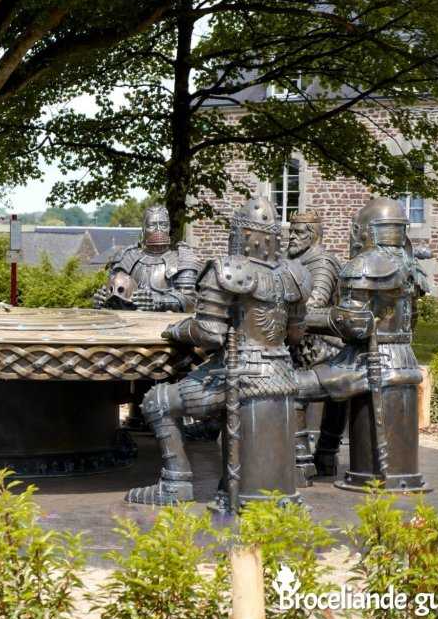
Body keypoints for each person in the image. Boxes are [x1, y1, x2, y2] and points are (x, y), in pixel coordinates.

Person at [125, 196, 310, 507]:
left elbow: (210, 334)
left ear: (241, 236)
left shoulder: (228, 270)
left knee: (157, 401)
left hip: (240, 376)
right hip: (282, 374)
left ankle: (176, 486)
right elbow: (295, 333)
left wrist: (179, 329)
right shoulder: (293, 274)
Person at [297, 197, 426, 491]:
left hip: (367, 362)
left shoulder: (368, 264)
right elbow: (411, 322)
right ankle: (327, 454)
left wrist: (303, 318)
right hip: (402, 357)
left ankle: (299, 466)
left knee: (291, 388)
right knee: (329, 386)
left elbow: (352, 324)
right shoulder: (409, 264)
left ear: (364, 231)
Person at [93, 204, 203, 431]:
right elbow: (116, 290)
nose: (158, 228)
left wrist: (158, 301)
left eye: (163, 224)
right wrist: (103, 299)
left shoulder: (181, 258)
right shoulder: (127, 257)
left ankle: (173, 418)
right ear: (143, 228)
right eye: (153, 224)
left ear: (170, 228)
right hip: (131, 334)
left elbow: (190, 299)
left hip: (170, 334)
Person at [284, 210, 343, 483]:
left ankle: (303, 458)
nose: (291, 236)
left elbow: (314, 305)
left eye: (298, 232)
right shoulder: (290, 259)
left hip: (321, 346)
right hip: (295, 341)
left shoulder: (322, 262)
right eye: (291, 230)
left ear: (313, 233)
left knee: (285, 382)